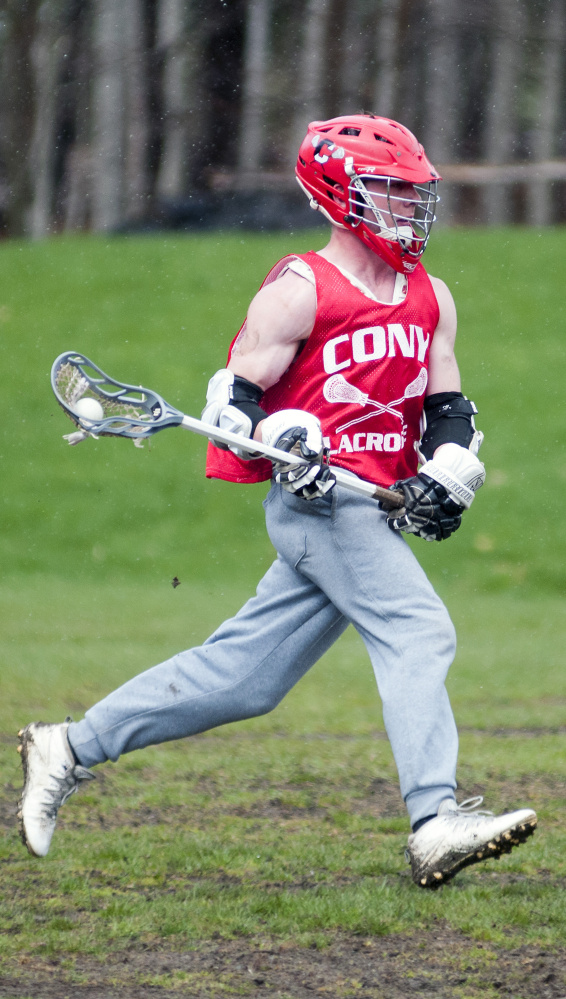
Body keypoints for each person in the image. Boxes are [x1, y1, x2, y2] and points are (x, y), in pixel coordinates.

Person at [17, 113, 536, 889]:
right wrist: (288, 444)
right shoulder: (301, 288)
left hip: (373, 498)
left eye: (412, 194)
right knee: (419, 630)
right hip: (321, 508)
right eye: (391, 194)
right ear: (342, 197)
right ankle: (434, 820)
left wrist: (446, 469)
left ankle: (70, 744)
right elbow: (232, 400)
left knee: (244, 679)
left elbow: (446, 404)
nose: (409, 210)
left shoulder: (430, 295)